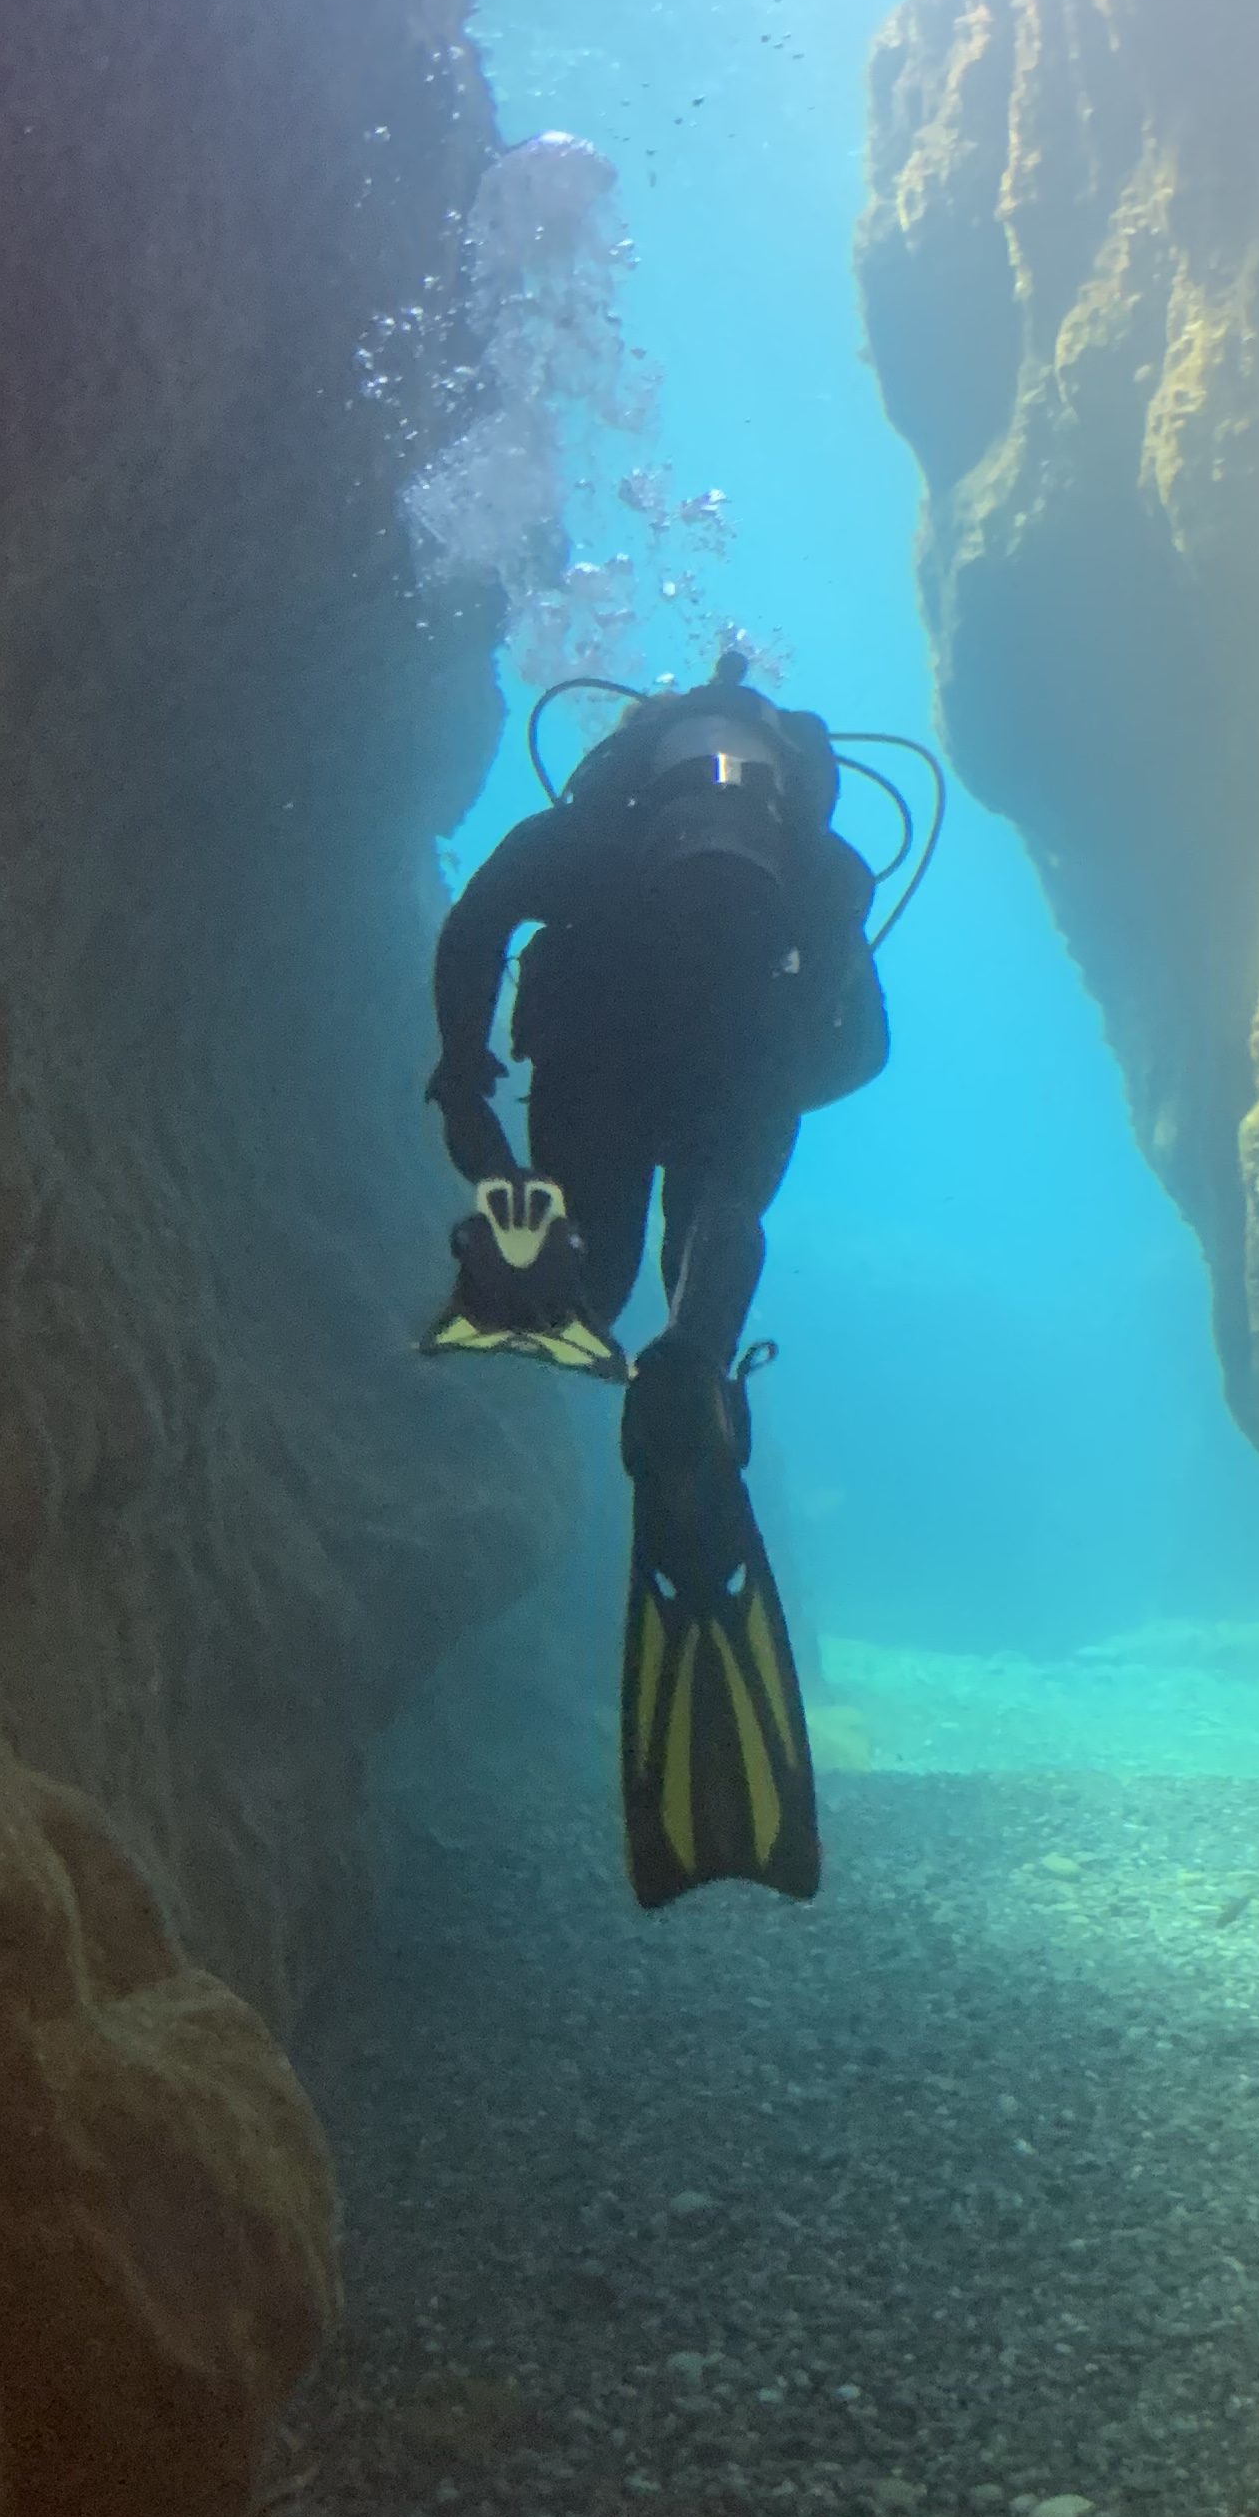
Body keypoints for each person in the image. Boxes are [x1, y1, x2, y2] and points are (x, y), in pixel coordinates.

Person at [423, 647, 892, 1905]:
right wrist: (771, 1080)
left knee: (596, 1268)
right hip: (745, 1042)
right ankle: (695, 1357)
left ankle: (530, 1267)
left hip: (593, 1033)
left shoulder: (587, 829)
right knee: (722, 1214)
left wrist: (464, 1079)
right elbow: (862, 1044)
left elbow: (476, 925)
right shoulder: (819, 863)